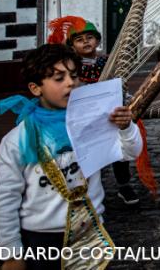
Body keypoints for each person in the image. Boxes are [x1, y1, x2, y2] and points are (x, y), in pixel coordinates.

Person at [0, 44, 142, 270]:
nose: (71, 83)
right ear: (35, 88)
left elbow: (130, 152)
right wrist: (11, 253)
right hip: (41, 240)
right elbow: (6, 197)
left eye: (73, 75)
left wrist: (125, 127)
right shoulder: (17, 140)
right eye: (59, 78)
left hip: (90, 233)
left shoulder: (93, 124)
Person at [46, 15, 143, 205]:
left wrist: (126, 98)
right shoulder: (71, 67)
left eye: (89, 38)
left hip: (108, 115)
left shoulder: (108, 62)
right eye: (79, 40)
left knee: (118, 150)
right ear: (72, 45)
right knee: (85, 152)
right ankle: (86, 188)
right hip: (82, 117)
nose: (86, 42)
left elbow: (117, 85)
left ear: (97, 41)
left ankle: (124, 185)